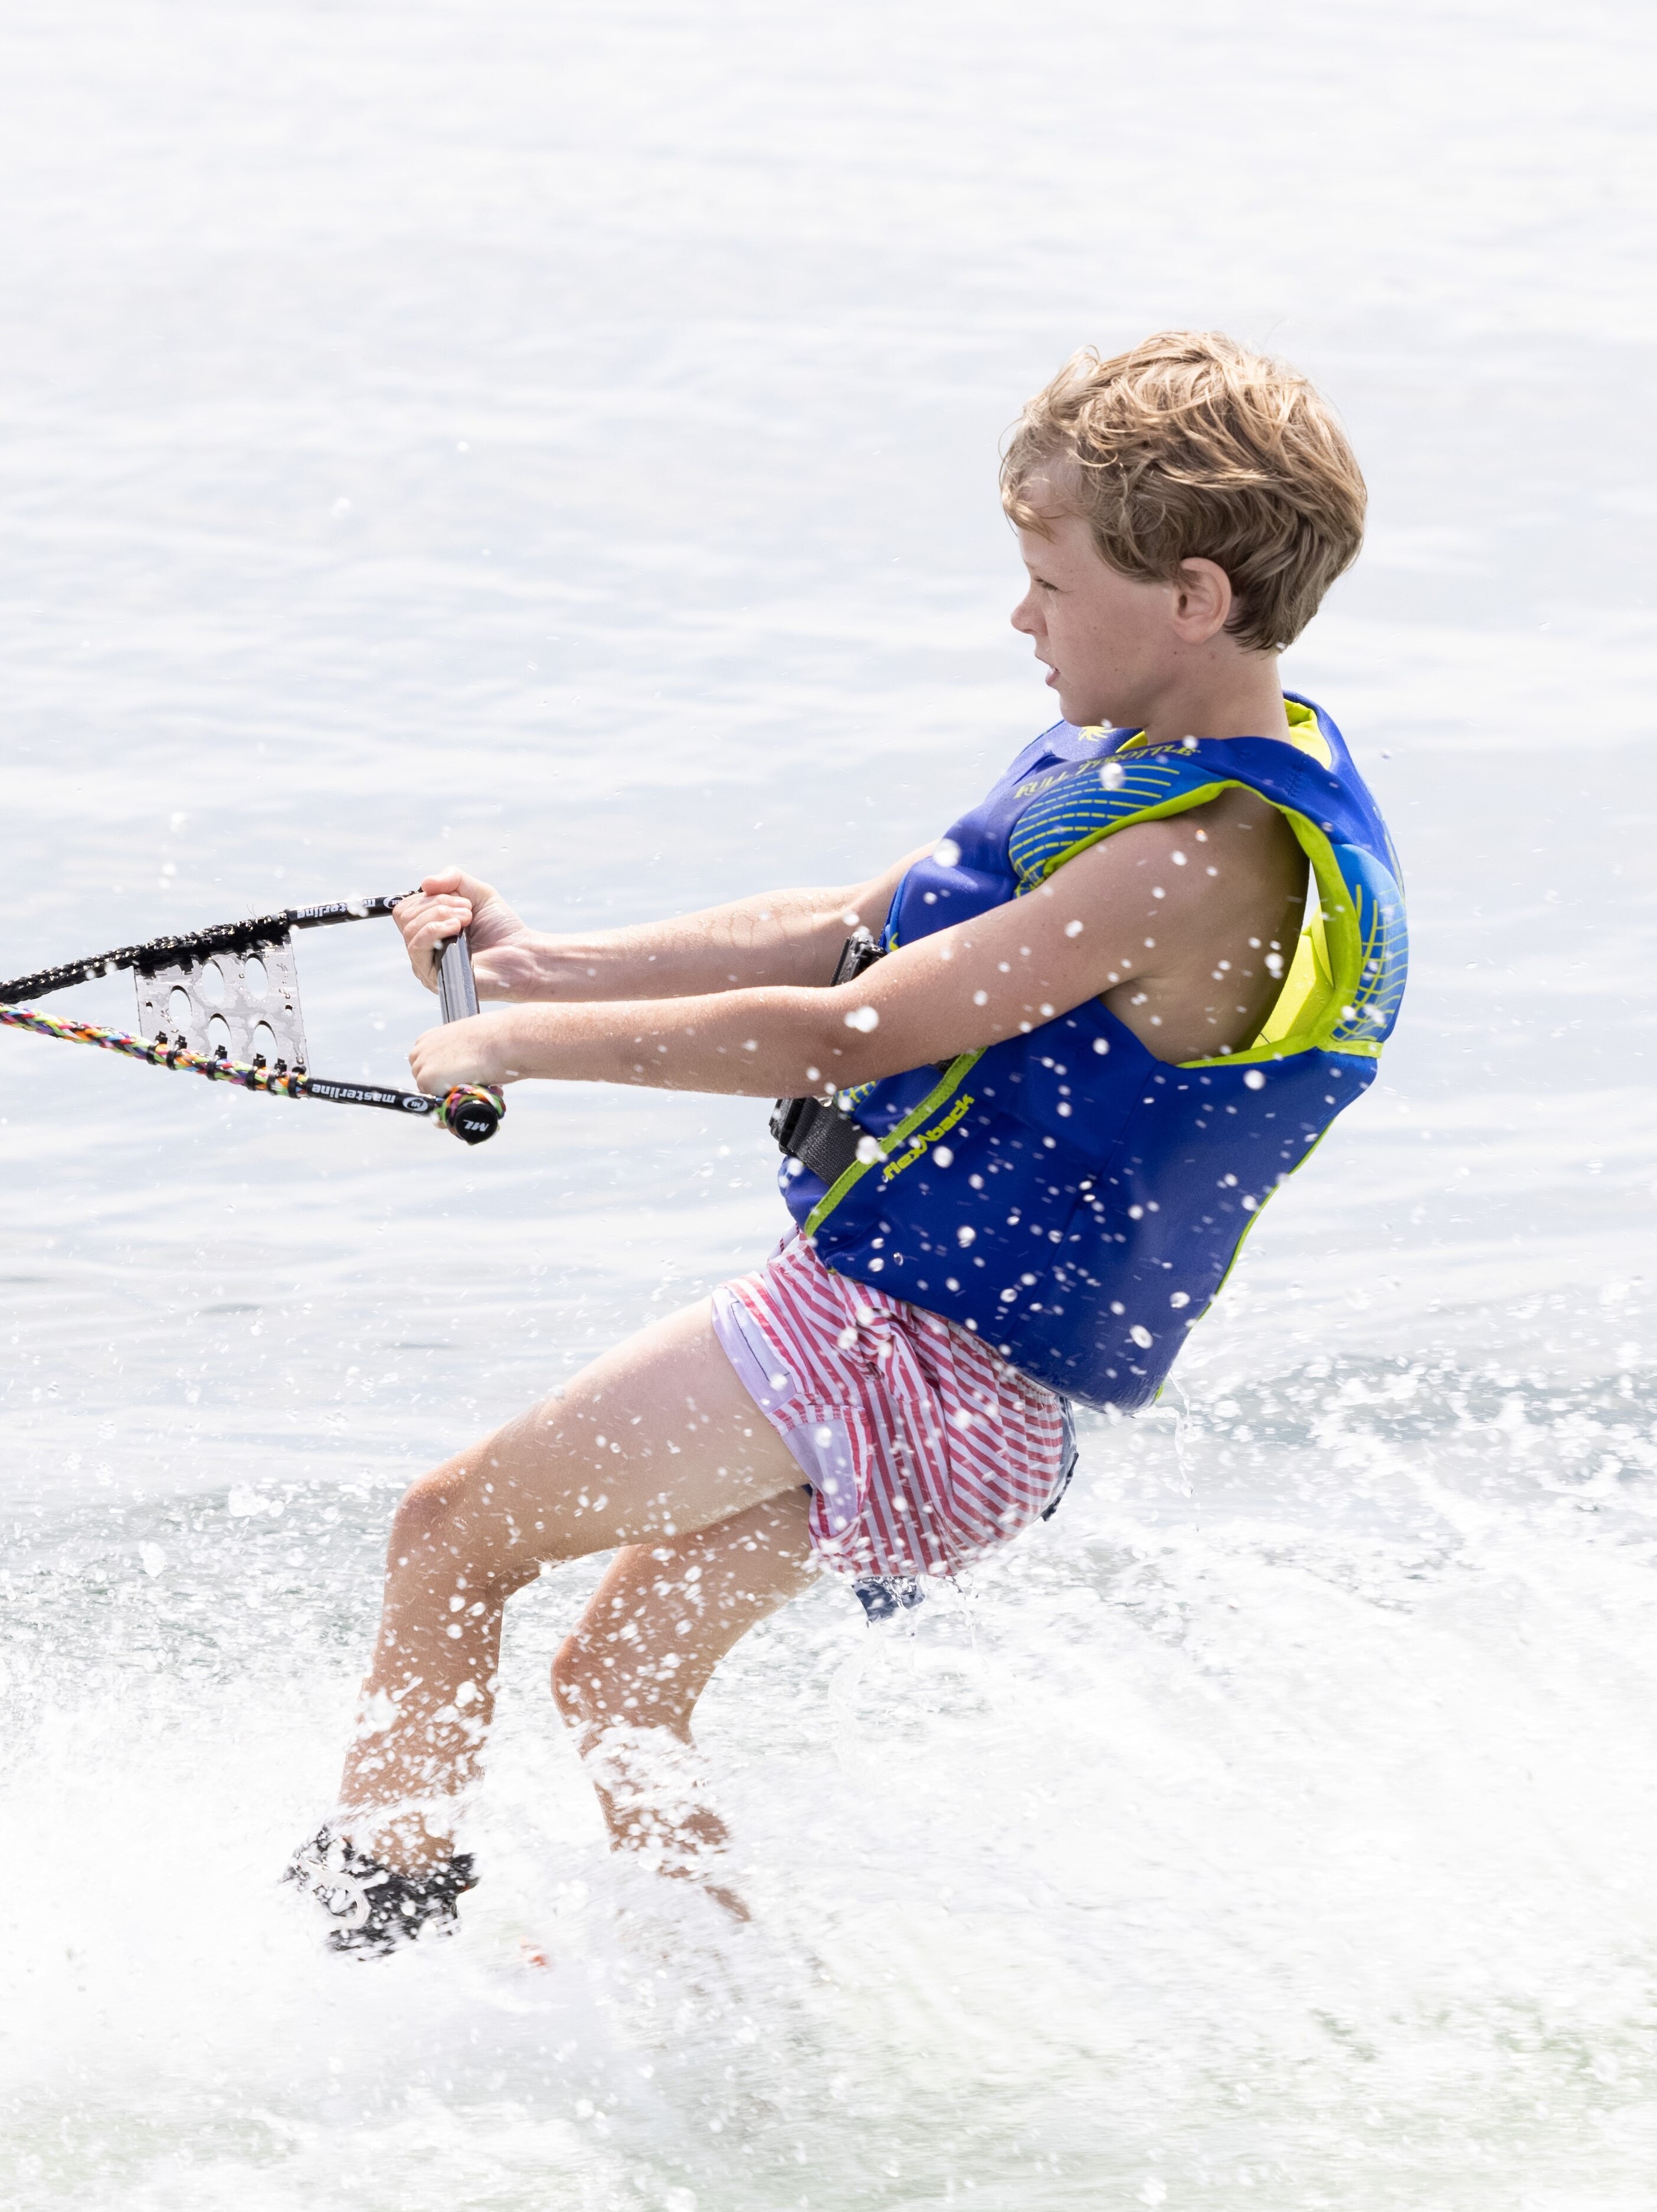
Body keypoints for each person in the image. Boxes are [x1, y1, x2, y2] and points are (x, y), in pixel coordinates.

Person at [288, 330, 1406, 1955]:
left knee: (450, 1534)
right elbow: (837, 936)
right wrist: (543, 964)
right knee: (618, 1682)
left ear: (1196, 599)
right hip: (975, 1385)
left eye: (1050, 577)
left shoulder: (1206, 859)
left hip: (907, 1352)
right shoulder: (1149, 773)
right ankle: (711, 2018)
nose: (1020, 616)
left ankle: (365, 1945)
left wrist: (521, 1048)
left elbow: (853, 1034)